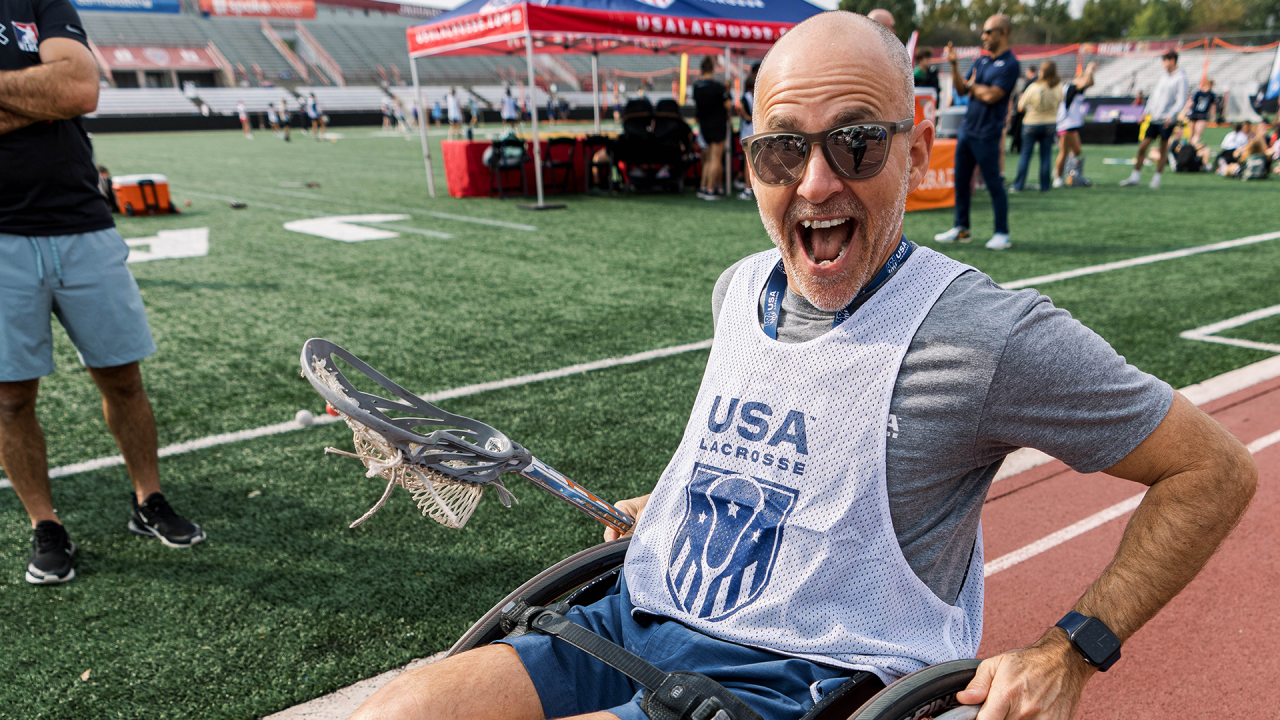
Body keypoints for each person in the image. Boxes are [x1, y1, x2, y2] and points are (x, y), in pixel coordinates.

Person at [350, 13, 1256, 720]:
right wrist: (665, 504)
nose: (815, 182)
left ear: (918, 145)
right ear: (751, 162)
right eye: (783, 148)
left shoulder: (985, 336)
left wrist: (1073, 650)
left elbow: (1212, 469)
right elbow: (749, 452)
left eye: (856, 142)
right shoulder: (740, 286)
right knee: (393, 710)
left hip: (796, 679)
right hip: (628, 622)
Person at [1, 0, 207, 585]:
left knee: (123, 377)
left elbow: (78, 87)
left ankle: (149, 498)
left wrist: (51, 95)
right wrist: (37, 98)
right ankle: (46, 524)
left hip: (83, 225)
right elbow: (55, 90)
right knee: (11, 398)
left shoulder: (39, 2)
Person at [934, 14, 1020, 250]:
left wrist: (973, 87)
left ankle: (1002, 232)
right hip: (967, 131)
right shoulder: (981, 62)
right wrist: (953, 65)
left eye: (989, 32)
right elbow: (962, 88)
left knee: (994, 184)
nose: (984, 36)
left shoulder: (1011, 64)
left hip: (988, 133)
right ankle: (962, 228)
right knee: (961, 182)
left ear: (1003, 33)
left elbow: (993, 95)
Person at [1121, 50, 1187, 189]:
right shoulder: (1163, 77)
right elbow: (1154, 97)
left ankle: (1157, 178)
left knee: (1163, 149)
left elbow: (1180, 101)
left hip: (1166, 120)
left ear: (1173, 60)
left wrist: (1172, 115)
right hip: (1155, 118)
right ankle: (1135, 177)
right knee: (1142, 147)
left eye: (1166, 60)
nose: (1164, 64)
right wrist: (1145, 112)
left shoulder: (1180, 78)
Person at [1011, 60, 1062, 193]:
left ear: (1042, 72)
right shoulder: (1058, 87)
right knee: (1046, 156)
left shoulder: (1034, 87)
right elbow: (1060, 102)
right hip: (1050, 124)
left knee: (1025, 155)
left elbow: (1020, 106)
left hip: (1031, 123)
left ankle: (1018, 185)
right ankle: (1045, 186)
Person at [693, 56, 731, 200]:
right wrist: (727, 91)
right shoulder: (717, 87)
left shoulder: (697, 87)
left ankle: (703, 187)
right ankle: (710, 189)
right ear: (713, 69)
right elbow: (728, 105)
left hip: (704, 125)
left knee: (708, 158)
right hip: (718, 125)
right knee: (715, 158)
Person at [1054, 61, 1096, 187]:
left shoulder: (1076, 89)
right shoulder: (1071, 87)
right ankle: (1058, 177)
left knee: (1076, 151)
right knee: (1064, 151)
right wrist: (1088, 70)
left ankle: (1068, 173)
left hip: (1071, 125)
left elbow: (1090, 83)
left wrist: (1090, 74)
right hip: (1065, 124)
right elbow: (1084, 83)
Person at [736, 64, 758, 201]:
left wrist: (742, 112)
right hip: (755, 133)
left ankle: (747, 189)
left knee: (748, 163)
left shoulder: (747, 98)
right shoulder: (756, 97)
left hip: (749, 133)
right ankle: (751, 189)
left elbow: (747, 117)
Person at [1185, 79, 1216, 146]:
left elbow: (1212, 106)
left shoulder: (1211, 95)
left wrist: (1212, 117)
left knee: (1198, 133)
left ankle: (1192, 146)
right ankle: (1189, 146)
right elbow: (1191, 102)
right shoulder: (1198, 93)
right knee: (1191, 133)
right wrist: (1185, 111)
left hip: (1202, 115)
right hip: (1194, 114)